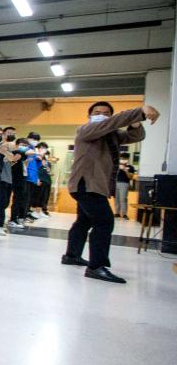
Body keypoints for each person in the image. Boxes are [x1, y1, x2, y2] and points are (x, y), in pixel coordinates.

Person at [62, 101, 158, 283]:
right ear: (89, 116)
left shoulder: (111, 135)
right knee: (104, 221)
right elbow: (109, 124)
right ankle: (96, 266)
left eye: (106, 113)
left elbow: (135, 136)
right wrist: (139, 112)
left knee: (84, 221)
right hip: (86, 184)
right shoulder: (85, 130)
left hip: (96, 186)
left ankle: (71, 255)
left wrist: (136, 122)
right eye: (97, 112)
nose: (101, 115)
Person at [6, 128, 35, 228]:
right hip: (13, 179)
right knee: (12, 200)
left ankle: (18, 218)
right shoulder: (14, 153)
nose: (25, 147)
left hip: (22, 178)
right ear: (17, 145)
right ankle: (12, 219)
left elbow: (32, 152)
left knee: (21, 199)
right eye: (22, 145)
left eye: (26, 146)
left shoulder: (23, 154)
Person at [115, 154, 134, 219]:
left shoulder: (130, 167)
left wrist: (126, 170)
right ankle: (117, 213)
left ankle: (124, 214)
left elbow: (130, 177)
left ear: (127, 159)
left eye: (124, 158)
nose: (123, 159)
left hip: (124, 183)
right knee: (116, 199)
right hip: (116, 183)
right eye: (121, 158)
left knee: (123, 199)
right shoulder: (117, 166)